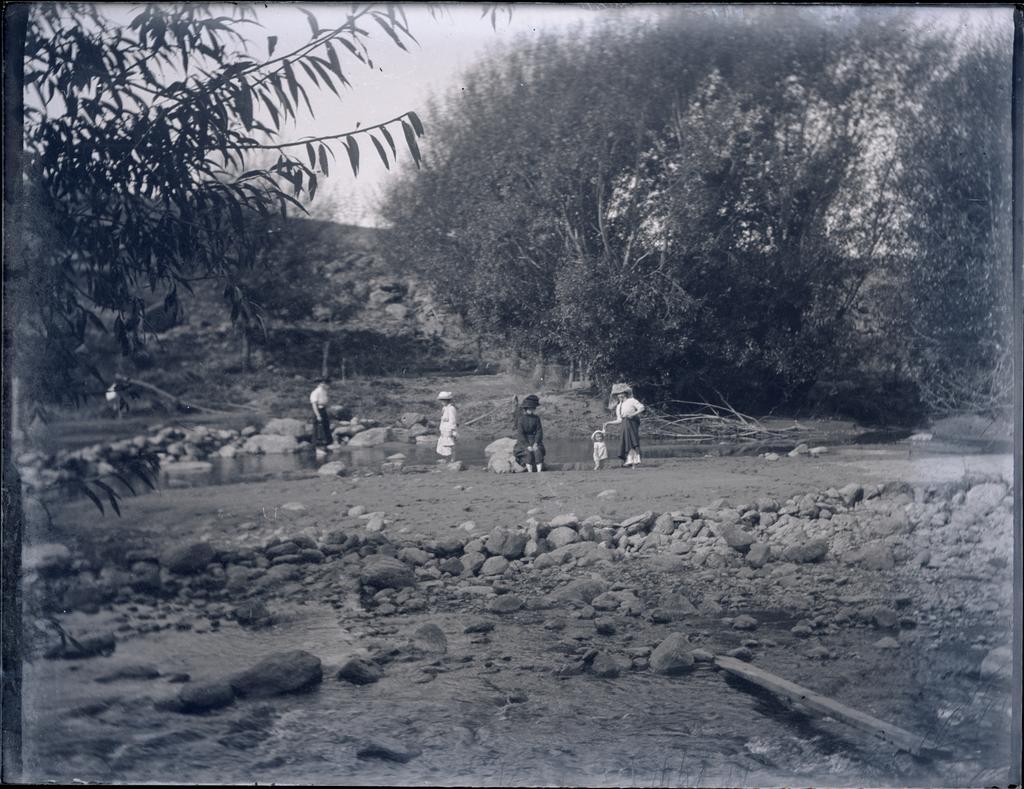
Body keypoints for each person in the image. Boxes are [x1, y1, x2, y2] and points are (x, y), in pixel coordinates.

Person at [604, 383, 645, 468]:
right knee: (625, 442)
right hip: (624, 424)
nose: (620, 395)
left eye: (621, 393)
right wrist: (608, 423)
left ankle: (634, 462)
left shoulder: (632, 400)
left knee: (632, 441)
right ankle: (628, 460)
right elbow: (619, 420)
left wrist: (633, 414)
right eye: (618, 394)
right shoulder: (618, 406)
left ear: (625, 393)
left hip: (632, 422)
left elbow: (641, 408)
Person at [514, 394, 545, 472]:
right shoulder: (521, 419)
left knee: (537, 451)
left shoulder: (536, 418)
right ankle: (530, 472)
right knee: (528, 453)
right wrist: (527, 446)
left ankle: (539, 472)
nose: (532, 410)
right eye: (530, 408)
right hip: (524, 441)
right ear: (526, 409)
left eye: (533, 408)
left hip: (534, 440)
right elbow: (521, 434)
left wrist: (536, 442)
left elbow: (539, 431)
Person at [310, 379, 331, 455]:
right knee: (317, 428)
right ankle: (316, 445)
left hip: (323, 410)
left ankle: (326, 443)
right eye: (326, 384)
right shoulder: (315, 392)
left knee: (326, 426)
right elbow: (314, 405)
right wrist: (318, 415)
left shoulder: (324, 392)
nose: (328, 386)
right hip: (318, 410)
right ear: (322, 384)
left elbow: (325, 402)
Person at [436, 391, 458, 460]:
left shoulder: (451, 408)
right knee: (444, 444)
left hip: (449, 430)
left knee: (450, 444)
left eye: (443, 400)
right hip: (444, 429)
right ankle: (446, 459)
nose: (441, 401)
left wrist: (452, 430)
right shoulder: (444, 408)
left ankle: (452, 460)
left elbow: (453, 420)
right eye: (441, 400)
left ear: (447, 400)